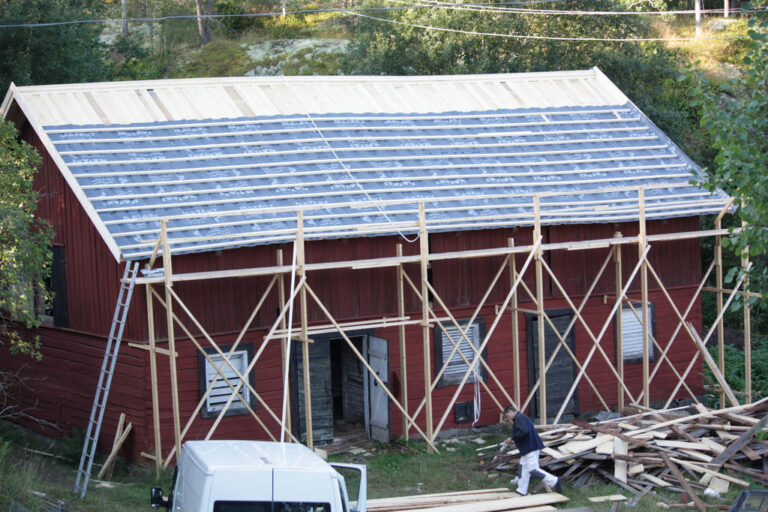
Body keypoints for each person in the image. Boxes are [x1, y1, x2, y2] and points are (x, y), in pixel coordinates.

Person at [502, 405, 562, 496]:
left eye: (507, 415)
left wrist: (512, 438)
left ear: (511, 411)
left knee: (533, 470)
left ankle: (554, 481)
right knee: (523, 470)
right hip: (527, 448)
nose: (507, 418)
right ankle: (521, 490)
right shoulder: (520, 418)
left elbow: (524, 431)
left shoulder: (519, 418)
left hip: (530, 447)